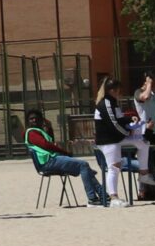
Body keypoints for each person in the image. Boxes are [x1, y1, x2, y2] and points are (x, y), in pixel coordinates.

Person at [23, 110, 108, 207]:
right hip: (48, 162)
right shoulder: (31, 132)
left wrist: (49, 128)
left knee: (85, 168)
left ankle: (104, 196)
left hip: (52, 160)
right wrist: (65, 153)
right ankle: (93, 199)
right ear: (28, 121)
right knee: (83, 165)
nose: (34, 120)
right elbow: (46, 145)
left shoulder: (39, 131)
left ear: (41, 119)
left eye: (36, 118)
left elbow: (50, 142)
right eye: (31, 119)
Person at [90, 76, 133, 206]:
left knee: (142, 143)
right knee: (113, 167)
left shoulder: (113, 103)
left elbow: (119, 119)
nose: (120, 93)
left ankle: (144, 173)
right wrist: (126, 132)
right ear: (112, 90)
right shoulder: (106, 103)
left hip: (114, 139)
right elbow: (113, 123)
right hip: (108, 140)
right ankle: (113, 198)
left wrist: (130, 119)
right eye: (118, 90)